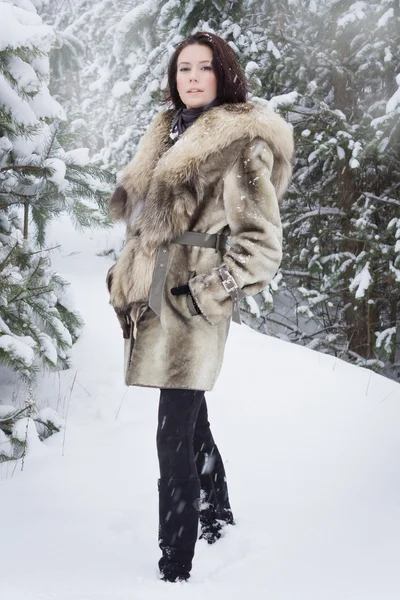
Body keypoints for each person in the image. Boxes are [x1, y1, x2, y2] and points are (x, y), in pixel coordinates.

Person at [106, 31, 294, 583]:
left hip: (192, 300)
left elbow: (261, 244)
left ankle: (175, 563)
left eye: (203, 68)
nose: (190, 77)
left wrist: (208, 290)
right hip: (155, 292)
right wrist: (126, 273)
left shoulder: (240, 143)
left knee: (171, 433)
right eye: (182, 68)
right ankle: (218, 509)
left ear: (223, 75)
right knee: (191, 417)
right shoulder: (165, 133)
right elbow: (145, 221)